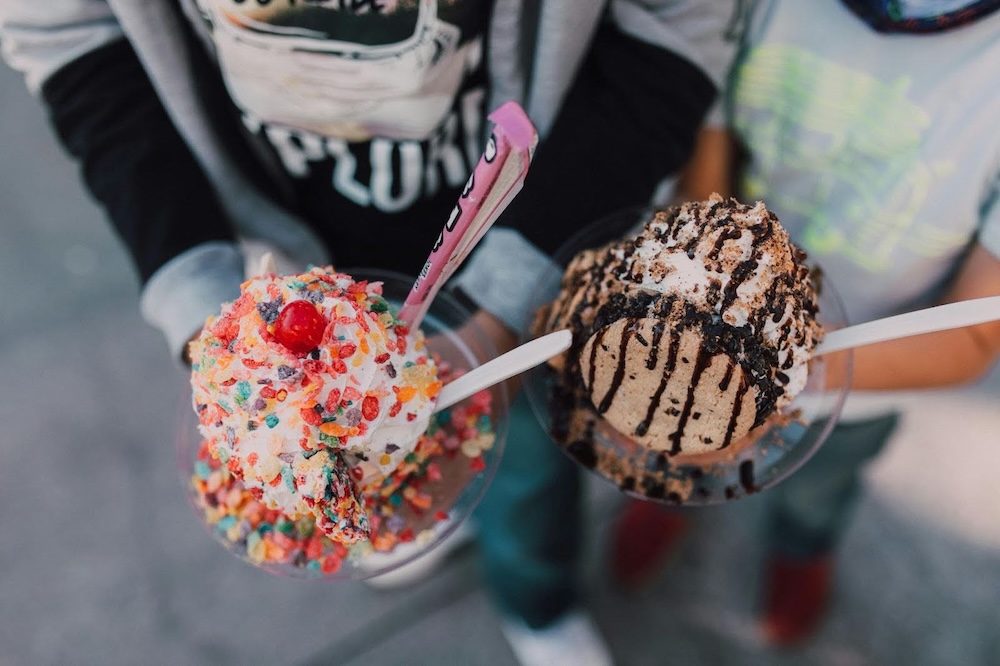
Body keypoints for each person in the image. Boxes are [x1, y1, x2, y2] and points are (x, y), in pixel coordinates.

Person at [0, 1, 738, 663]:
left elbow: (677, 20)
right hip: (279, 269)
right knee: (376, 487)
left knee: (527, 474)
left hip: (534, 238)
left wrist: (501, 316)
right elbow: (70, 31)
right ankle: (418, 531)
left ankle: (540, 603)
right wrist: (202, 298)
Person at [610, 0, 1000, 648]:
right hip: (713, 325)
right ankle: (666, 493)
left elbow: (976, 330)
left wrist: (774, 372)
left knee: (820, 487)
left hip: (869, 372)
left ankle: (800, 547)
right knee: (676, 443)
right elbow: (715, 136)